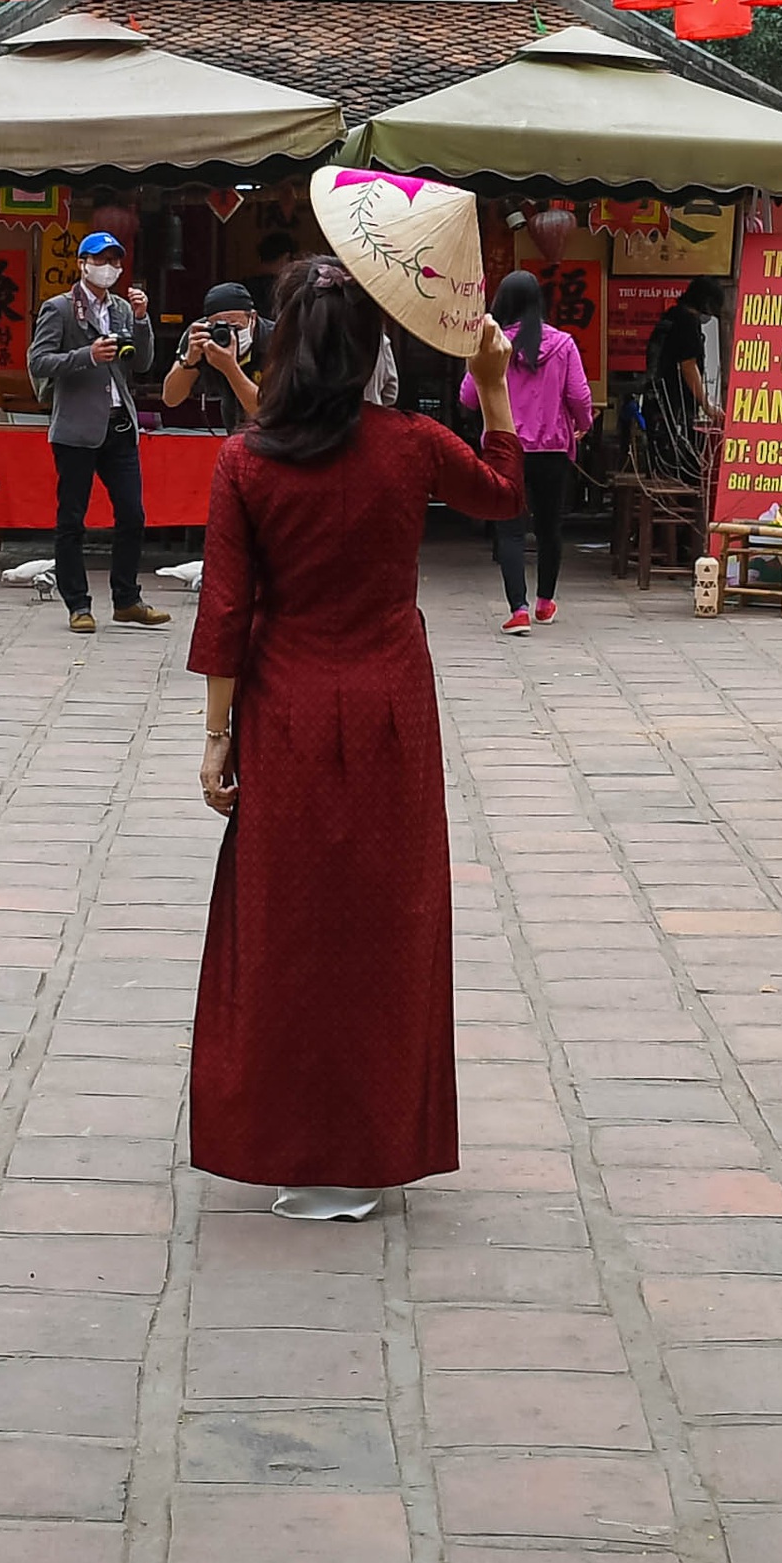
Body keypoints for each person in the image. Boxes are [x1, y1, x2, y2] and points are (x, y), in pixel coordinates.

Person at [189, 257, 519, 1221]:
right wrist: (492, 384)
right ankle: (373, 1142)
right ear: (375, 349)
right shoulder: (410, 444)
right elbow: (503, 491)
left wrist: (216, 739)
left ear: (280, 347)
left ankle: (286, 1138)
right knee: (389, 921)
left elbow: (224, 610)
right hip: (390, 710)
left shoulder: (246, 461)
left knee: (282, 922)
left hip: (285, 706)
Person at [26, 232, 166, 635]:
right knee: (72, 519)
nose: (109, 268)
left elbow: (142, 363)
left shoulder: (122, 308)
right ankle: (78, 604)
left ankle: (127, 599)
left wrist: (141, 321)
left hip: (120, 424)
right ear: (83, 264)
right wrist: (87, 355)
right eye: (100, 260)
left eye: (115, 261)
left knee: (132, 514)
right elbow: (39, 361)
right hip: (76, 428)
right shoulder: (60, 309)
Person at [483, 270, 594, 633]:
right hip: (553, 450)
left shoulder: (493, 345)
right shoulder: (564, 345)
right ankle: (545, 603)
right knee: (549, 527)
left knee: (511, 530)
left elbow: (468, 395)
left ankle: (518, 610)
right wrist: (584, 423)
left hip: (506, 448)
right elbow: (579, 395)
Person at [636, 276, 724, 486]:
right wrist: (706, 404)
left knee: (660, 466)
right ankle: (677, 516)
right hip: (676, 406)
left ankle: (661, 510)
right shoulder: (687, 323)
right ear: (706, 302)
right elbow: (688, 366)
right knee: (682, 469)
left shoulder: (669, 318)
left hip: (655, 399)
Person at [161, 281, 264, 433]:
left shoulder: (275, 338)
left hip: (275, 434)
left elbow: (265, 412)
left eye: (236, 327)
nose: (230, 335)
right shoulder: (199, 335)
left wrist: (230, 368)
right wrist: (189, 361)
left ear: (253, 318)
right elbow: (170, 399)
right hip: (231, 425)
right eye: (221, 328)